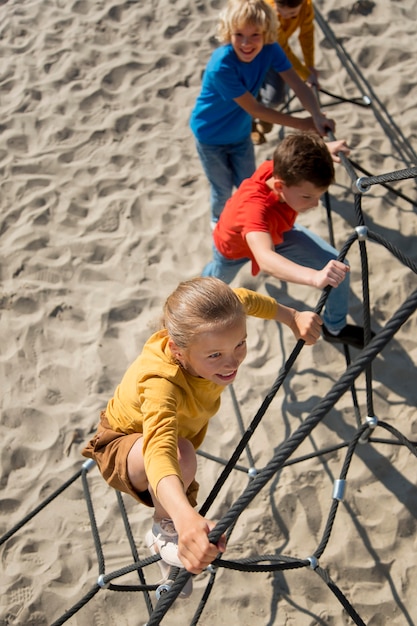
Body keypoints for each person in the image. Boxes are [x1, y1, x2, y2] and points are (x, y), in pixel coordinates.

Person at [82, 277, 322, 595]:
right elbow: (159, 451)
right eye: (214, 356)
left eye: (240, 344)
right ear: (177, 351)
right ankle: (164, 530)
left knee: (181, 455)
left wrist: (292, 317)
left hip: (165, 437)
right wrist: (185, 518)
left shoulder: (222, 315)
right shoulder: (160, 382)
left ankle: (175, 534)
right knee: (180, 455)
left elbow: (248, 300)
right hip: (122, 445)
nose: (232, 360)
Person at [202, 132, 368, 349]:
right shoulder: (255, 209)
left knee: (339, 267)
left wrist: (324, 150)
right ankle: (199, 292)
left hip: (279, 231)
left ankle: (334, 328)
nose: (316, 204)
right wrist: (314, 277)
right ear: (280, 187)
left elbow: (297, 153)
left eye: (319, 196)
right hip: (233, 249)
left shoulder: (283, 168)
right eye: (308, 197)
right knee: (214, 283)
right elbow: (266, 259)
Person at [189, 0, 334, 225]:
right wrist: (303, 124)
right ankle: (218, 223)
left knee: (249, 182)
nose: (247, 43)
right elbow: (255, 108)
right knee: (222, 188)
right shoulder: (222, 65)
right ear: (228, 33)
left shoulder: (270, 48)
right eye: (239, 35)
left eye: (255, 35)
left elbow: (296, 83)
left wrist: (316, 115)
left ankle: (252, 221)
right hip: (211, 136)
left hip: (240, 134)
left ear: (266, 33)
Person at [253, 0, 320, 145]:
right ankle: (250, 123)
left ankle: (264, 115)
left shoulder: (307, 7)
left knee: (275, 97)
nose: (284, 15)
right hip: (253, 52)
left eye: (292, 13)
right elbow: (283, 48)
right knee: (251, 90)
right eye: (280, 9)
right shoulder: (269, 12)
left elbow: (306, 34)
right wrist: (305, 74)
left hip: (274, 54)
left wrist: (310, 65)